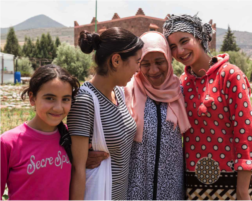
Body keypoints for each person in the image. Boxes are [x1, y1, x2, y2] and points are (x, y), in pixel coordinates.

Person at [163, 14, 252, 201]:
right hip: (194, 187)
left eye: (185, 41)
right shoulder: (182, 84)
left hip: (233, 188)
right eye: (173, 47)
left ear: (199, 37)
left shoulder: (230, 75)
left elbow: (245, 132)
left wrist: (242, 189)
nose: (180, 51)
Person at [67, 28, 144, 201]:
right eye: (136, 61)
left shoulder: (119, 93)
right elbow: (78, 170)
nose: (138, 69)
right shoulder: (85, 101)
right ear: (116, 60)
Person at [125, 31, 191, 201]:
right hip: (136, 189)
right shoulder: (127, 91)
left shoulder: (180, 92)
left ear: (169, 60)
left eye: (159, 62)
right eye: (145, 63)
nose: (153, 70)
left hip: (171, 190)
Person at [0, 64, 80, 201]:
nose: (58, 107)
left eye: (66, 99)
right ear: (32, 98)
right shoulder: (8, 143)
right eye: (50, 98)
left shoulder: (72, 137)